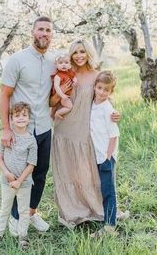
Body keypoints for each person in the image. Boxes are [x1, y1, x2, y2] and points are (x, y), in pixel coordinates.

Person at [0, 16, 71, 234]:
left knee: (40, 173)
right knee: (19, 173)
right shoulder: (17, 60)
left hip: (44, 128)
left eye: (49, 30)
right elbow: (5, 95)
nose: (45, 34)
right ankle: (14, 217)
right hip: (21, 130)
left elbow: (50, 99)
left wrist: (62, 96)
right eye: (41, 29)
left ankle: (30, 213)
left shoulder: (53, 61)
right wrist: (6, 128)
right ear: (32, 32)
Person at [50, 38, 123, 228]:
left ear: (88, 54)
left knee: (87, 170)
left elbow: (105, 98)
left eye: (82, 52)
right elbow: (52, 102)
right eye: (75, 52)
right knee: (68, 170)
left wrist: (114, 114)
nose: (79, 56)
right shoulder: (65, 74)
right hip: (65, 128)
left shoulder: (97, 75)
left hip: (86, 129)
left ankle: (95, 207)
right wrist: (61, 92)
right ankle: (72, 209)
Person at [0, 102, 37, 249]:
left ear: (29, 118)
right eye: (17, 115)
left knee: (23, 210)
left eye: (24, 115)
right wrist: (7, 174)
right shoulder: (7, 137)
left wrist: (19, 180)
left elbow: (31, 164)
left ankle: (23, 236)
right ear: (11, 119)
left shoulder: (31, 140)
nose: (21, 118)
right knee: (5, 208)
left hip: (24, 182)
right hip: (6, 181)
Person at [90, 71, 119, 237]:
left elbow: (114, 135)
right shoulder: (93, 103)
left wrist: (108, 158)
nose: (101, 92)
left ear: (111, 92)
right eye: (99, 88)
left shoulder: (107, 108)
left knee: (108, 190)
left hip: (106, 157)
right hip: (97, 155)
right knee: (103, 188)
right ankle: (108, 216)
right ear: (95, 87)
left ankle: (109, 226)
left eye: (106, 90)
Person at [51, 53, 77, 119]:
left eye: (66, 62)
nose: (63, 65)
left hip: (66, 95)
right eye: (60, 63)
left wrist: (75, 82)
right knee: (69, 106)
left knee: (56, 106)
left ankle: (53, 113)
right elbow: (56, 87)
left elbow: (73, 78)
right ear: (56, 65)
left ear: (70, 64)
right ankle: (58, 113)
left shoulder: (69, 73)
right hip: (62, 96)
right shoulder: (58, 76)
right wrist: (62, 96)